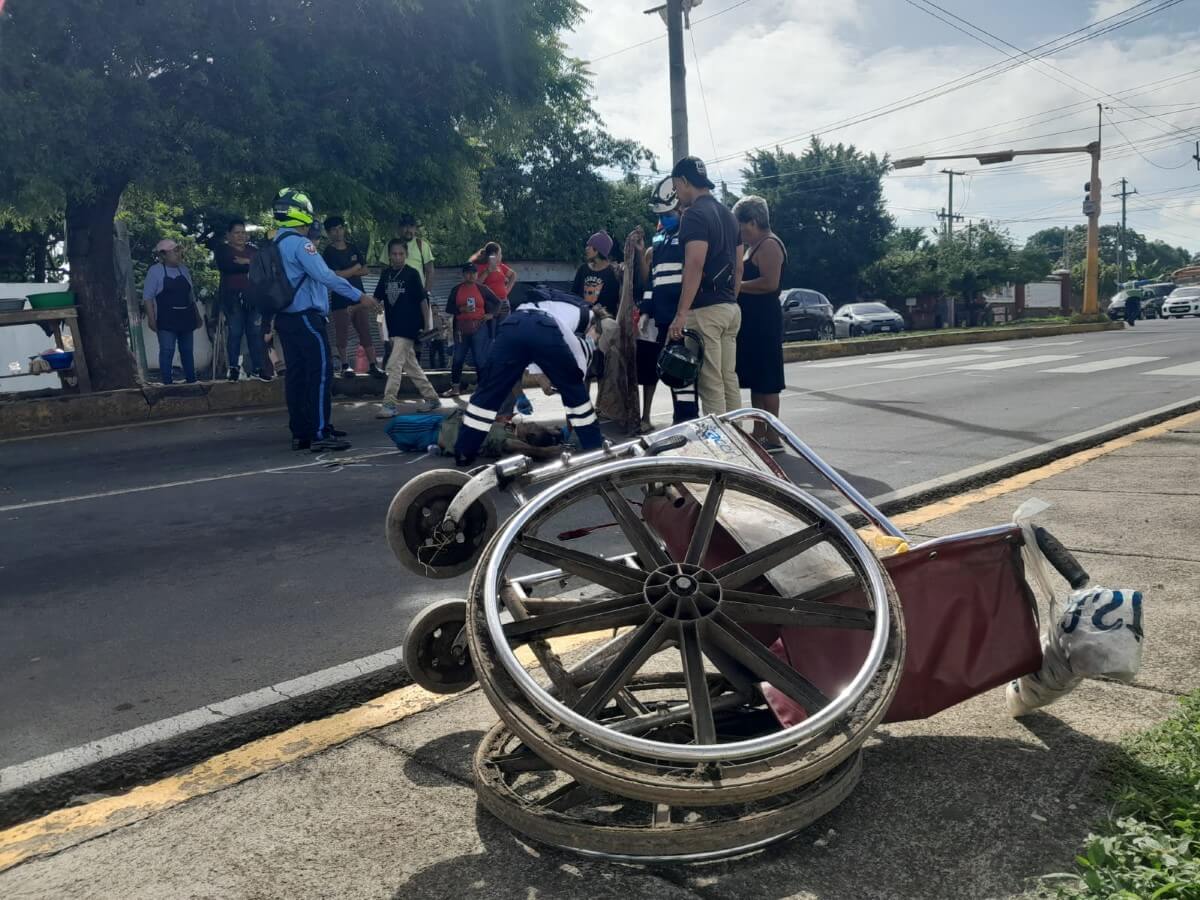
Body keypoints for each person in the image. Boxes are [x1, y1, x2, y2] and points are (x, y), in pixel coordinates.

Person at [271, 188, 377, 453]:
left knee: (296, 376)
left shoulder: (274, 244)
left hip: (285, 319)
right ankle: (319, 432)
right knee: (320, 374)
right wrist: (359, 296)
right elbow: (326, 276)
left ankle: (302, 433)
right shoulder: (300, 244)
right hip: (307, 318)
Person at [454, 287, 602, 467]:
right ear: (595, 326)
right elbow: (577, 362)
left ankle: (464, 452)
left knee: (487, 393)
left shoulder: (554, 304)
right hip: (544, 327)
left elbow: (531, 345)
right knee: (575, 394)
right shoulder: (586, 316)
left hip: (512, 325)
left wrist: (541, 378)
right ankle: (595, 449)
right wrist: (590, 345)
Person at [669, 156, 744, 415]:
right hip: (730, 309)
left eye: (676, 187)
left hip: (706, 311)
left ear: (685, 181)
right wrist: (729, 298)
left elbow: (695, 264)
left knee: (711, 384)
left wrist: (681, 315)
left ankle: (723, 450)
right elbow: (739, 265)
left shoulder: (694, 215)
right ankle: (739, 438)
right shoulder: (729, 215)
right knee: (728, 379)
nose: (677, 194)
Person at [638, 177, 699, 426]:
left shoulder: (690, 235)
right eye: (661, 215)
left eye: (669, 214)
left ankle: (687, 419)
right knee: (674, 369)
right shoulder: (659, 241)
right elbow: (654, 280)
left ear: (680, 210)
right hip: (664, 317)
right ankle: (681, 420)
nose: (664, 219)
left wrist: (682, 312)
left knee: (685, 369)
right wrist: (646, 311)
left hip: (684, 313)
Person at [732, 195, 787, 451]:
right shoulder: (754, 247)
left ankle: (773, 436)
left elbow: (770, 282)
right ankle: (759, 430)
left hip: (765, 322)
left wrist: (737, 287)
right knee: (755, 379)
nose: (741, 233)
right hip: (751, 323)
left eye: (742, 227)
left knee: (767, 380)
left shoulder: (770, 245)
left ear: (753, 222)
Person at [374, 239, 440, 418]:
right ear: (389, 255)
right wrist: (362, 305)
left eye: (401, 254)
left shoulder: (412, 274)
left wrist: (426, 325)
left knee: (394, 364)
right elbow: (376, 298)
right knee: (411, 366)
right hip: (394, 326)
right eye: (394, 254)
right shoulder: (386, 274)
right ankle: (432, 397)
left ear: (406, 255)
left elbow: (422, 300)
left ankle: (389, 403)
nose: (397, 257)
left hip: (410, 326)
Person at [322, 215, 384, 379]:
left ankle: (373, 365)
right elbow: (336, 276)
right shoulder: (328, 252)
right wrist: (354, 267)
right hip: (340, 298)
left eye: (340, 228)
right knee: (342, 332)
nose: (338, 232)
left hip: (359, 296)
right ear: (328, 233)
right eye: (334, 229)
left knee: (365, 330)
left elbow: (365, 270)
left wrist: (350, 271)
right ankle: (344, 365)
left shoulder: (353, 247)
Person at [213, 220, 269, 382]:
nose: (241, 236)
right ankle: (233, 368)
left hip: (254, 297)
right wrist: (252, 264)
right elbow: (228, 267)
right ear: (229, 235)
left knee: (254, 333)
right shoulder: (223, 250)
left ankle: (258, 368)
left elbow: (265, 269)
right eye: (237, 232)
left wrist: (247, 262)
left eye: (243, 232)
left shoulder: (253, 250)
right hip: (232, 298)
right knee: (236, 332)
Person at [143, 239, 202, 385]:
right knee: (167, 350)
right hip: (166, 318)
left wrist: (197, 316)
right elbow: (148, 298)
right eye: (174, 251)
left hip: (186, 316)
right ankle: (167, 383)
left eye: (178, 250)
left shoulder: (184, 270)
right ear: (163, 255)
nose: (178, 253)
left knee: (187, 351)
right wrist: (151, 319)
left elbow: (191, 296)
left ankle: (191, 380)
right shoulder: (155, 271)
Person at [443, 262, 501, 397]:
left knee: (480, 359)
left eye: (473, 273)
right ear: (463, 274)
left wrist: (490, 315)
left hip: (479, 328)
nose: (471, 275)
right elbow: (448, 308)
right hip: (461, 329)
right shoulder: (456, 289)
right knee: (458, 358)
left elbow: (498, 302)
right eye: (468, 273)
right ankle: (455, 387)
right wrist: (461, 309)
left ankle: (482, 387)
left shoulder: (482, 289)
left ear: (476, 274)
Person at [572, 232, 621, 317]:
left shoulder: (612, 273)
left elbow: (612, 303)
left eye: (589, 246)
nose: (586, 249)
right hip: (582, 317)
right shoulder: (583, 269)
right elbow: (573, 295)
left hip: (602, 321)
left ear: (597, 250)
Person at [399, 214, 436, 289]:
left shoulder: (422, 245)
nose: (408, 230)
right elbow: (384, 270)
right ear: (399, 228)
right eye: (405, 226)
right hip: (396, 293)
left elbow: (430, 271)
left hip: (417, 295)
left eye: (411, 226)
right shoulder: (390, 245)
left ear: (415, 228)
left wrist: (427, 293)